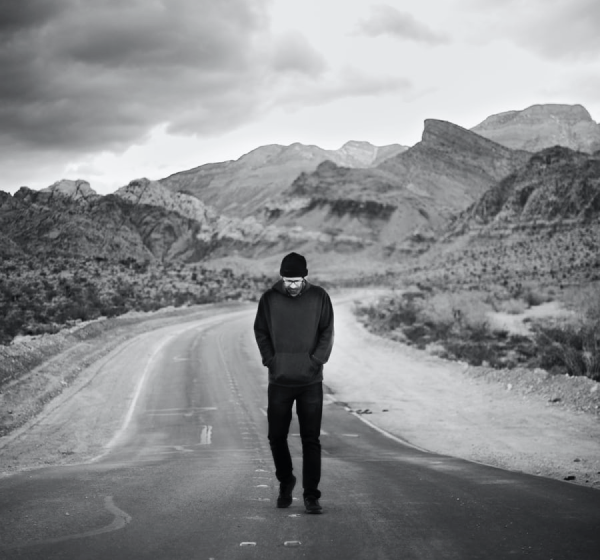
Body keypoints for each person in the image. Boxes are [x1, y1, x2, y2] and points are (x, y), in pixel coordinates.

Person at [253, 252, 334, 514]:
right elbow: (261, 331)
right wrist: (271, 361)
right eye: (288, 281)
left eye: (297, 280)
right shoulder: (269, 299)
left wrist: (316, 361)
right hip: (280, 381)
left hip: (310, 381)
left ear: (305, 277)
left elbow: (327, 331)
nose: (292, 286)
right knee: (276, 436)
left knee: (311, 439)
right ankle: (286, 481)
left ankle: (311, 496)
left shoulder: (320, 297)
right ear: (281, 278)